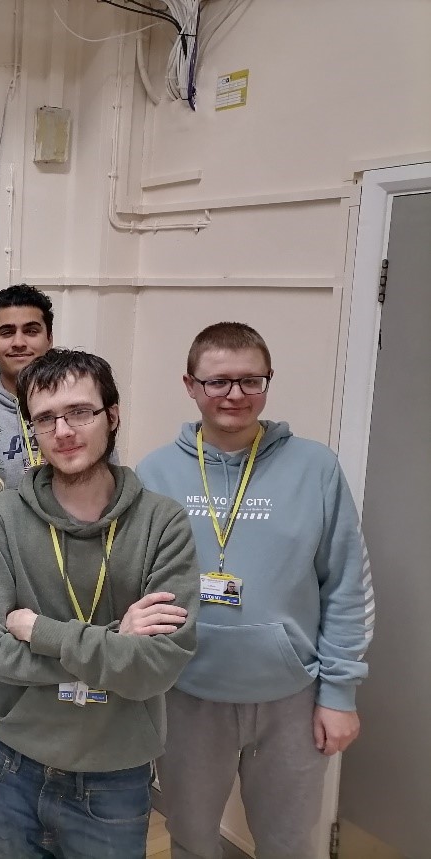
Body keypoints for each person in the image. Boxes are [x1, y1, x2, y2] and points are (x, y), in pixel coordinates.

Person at [136, 322, 373, 859]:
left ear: (268, 382)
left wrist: (339, 694)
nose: (235, 395)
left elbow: (346, 586)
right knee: (192, 839)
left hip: (291, 697)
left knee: (288, 844)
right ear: (190, 385)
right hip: (188, 694)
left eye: (251, 380)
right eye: (218, 381)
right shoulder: (155, 473)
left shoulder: (315, 468)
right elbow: (136, 584)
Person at [0, 348, 200, 859]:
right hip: (14, 766)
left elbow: (155, 668)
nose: (63, 431)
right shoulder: (5, 516)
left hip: (113, 775)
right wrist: (116, 641)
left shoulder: (162, 523)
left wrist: (41, 631)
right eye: (46, 418)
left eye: (79, 412)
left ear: (112, 415)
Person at [0, 284, 56, 489]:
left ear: (49, 339)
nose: (18, 342)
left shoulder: (76, 399)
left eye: (31, 331)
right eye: (7, 332)